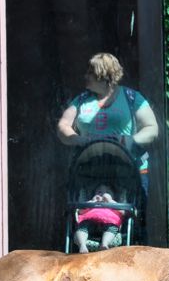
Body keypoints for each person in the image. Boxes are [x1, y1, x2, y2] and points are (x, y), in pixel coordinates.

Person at [56, 52, 158, 190]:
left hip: (126, 170)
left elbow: (152, 128)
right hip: (89, 170)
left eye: (91, 72)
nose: (86, 76)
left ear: (104, 75)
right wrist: (79, 140)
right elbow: (63, 126)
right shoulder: (81, 100)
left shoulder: (132, 97)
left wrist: (130, 140)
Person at [74, 184, 124, 253]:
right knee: (82, 228)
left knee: (112, 228)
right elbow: (80, 211)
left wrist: (110, 201)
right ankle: (82, 245)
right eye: (100, 192)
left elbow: (122, 212)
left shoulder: (114, 204)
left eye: (107, 192)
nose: (103, 195)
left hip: (109, 223)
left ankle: (104, 244)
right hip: (89, 222)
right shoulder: (92, 203)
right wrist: (92, 201)